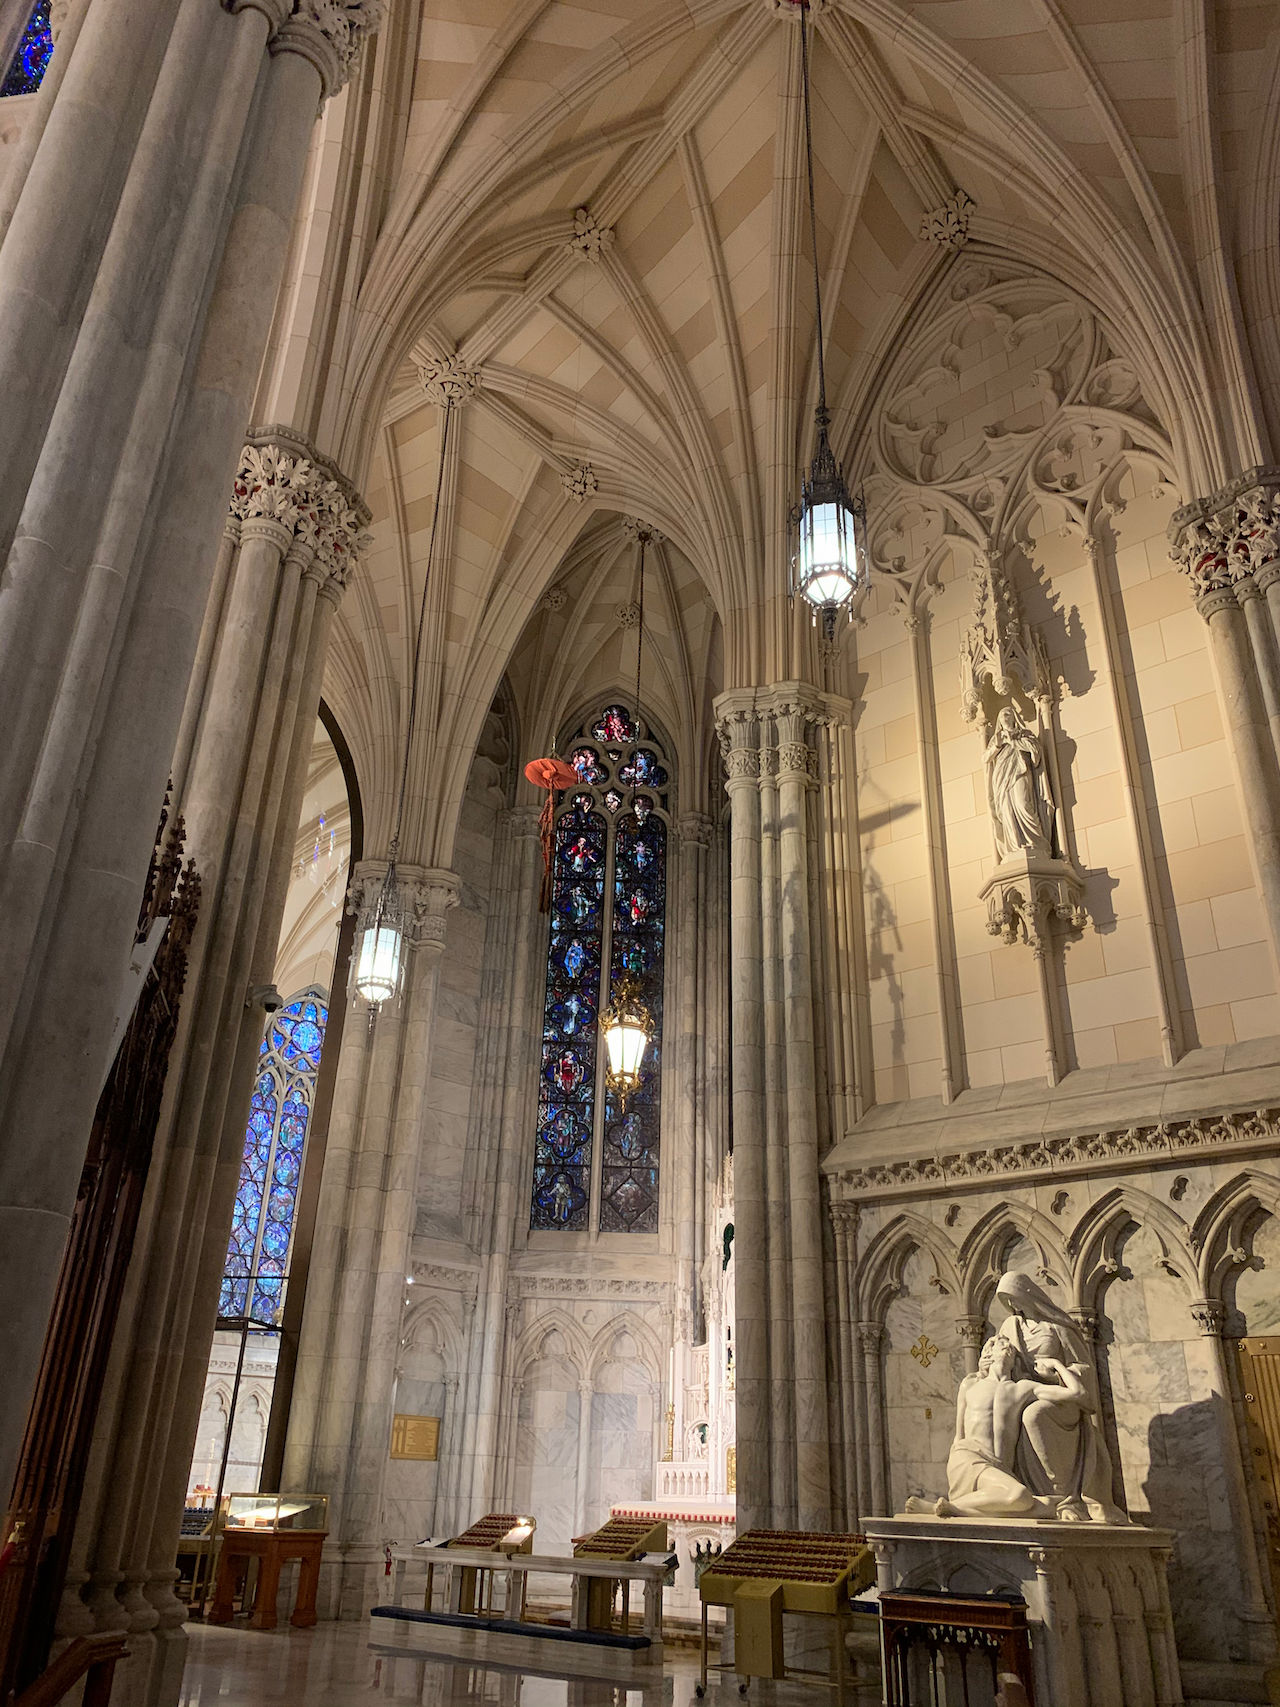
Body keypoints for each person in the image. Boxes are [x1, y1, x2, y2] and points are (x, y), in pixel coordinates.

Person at [993, 1270, 1126, 1522]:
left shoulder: (1057, 1327)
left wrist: (1054, 1371)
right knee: (996, 1414)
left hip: (1062, 1400)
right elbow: (996, 1358)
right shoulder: (1010, 1326)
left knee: (1034, 1415)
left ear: (1027, 1294)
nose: (1011, 1303)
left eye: (1013, 1296)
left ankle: (1062, 1497)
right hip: (1023, 1392)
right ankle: (1009, 1492)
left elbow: (1083, 1368)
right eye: (1005, 1299)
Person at [906, 1338, 1087, 1519]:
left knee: (1047, 1507)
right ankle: (943, 1506)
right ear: (988, 1353)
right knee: (1019, 1495)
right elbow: (959, 1434)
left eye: (1009, 1346)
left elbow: (1077, 1393)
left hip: (999, 1468)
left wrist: (1055, 1364)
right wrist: (955, 1463)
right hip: (968, 1457)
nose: (1006, 1346)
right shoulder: (970, 1384)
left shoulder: (1023, 1388)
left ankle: (954, 1509)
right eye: (999, 1344)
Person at [984, 704, 1056, 859]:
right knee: (1007, 810)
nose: (1004, 717)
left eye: (1007, 714)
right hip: (1002, 777)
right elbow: (985, 758)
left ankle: (1036, 843)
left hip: (1020, 772)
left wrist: (1014, 742)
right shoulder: (996, 738)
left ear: (1014, 718)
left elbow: (1035, 750)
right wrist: (997, 746)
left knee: (1023, 804)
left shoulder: (1024, 734)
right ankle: (1015, 846)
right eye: (1002, 715)